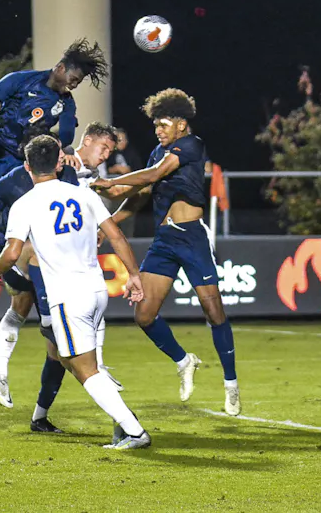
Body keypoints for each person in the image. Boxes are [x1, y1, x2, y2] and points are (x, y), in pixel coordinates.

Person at [0, 123, 120, 409]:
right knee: (36, 259)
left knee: (27, 318)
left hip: (51, 266)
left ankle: (21, 394)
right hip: (16, 259)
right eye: (58, 152)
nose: (63, 156)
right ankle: (57, 334)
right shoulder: (12, 182)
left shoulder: (69, 175)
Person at [0, 135, 150, 450]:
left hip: (67, 295)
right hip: (96, 289)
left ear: (27, 167)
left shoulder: (25, 204)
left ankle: (133, 430)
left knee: (84, 369)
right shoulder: (83, 194)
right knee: (65, 357)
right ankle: (121, 422)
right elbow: (116, 235)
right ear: (60, 162)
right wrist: (134, 275)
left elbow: (11, 255)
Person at [94, 89, 240, 417]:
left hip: (191, 237)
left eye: (163, 124)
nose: (158, 130)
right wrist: (109, 218)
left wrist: (110, 183)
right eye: (155, 126)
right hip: (165, 240)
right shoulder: (156, 154)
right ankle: (184, 360)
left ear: (182, 124)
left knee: (213, 309)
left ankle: (230, 382)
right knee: (144, 314)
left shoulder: (191, 145)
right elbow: (139, 194)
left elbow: (154, 175)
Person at [0, 39, 109, 202]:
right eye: (74, 78)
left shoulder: (67, 103)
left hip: (25, 160)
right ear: (60, 68)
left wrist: (48, 138)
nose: (74, 85)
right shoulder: (22, 80)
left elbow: (67, 136)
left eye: (78, 82)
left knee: (14, 214)